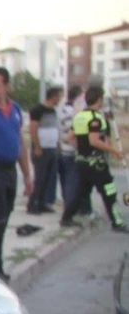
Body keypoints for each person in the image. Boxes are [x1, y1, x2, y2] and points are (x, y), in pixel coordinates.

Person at [0, 67, 33, 280]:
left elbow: (20, 143)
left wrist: (27, 176)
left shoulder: (16, 110)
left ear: (6, 86)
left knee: (3, 218)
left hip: (10, 171)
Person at [60, 86, 127, 232]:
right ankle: (117, 222)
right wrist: (114, 151)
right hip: (96, 163)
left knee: (81, 193)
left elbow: (69, 137)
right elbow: (94, 141)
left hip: (82, 161)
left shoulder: (79, 117)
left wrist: (79, 148)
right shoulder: (95, 119)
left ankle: (66, 218)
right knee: (109, 191)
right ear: (99, 100)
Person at [28, 86, 62, 213]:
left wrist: (57, 144)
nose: (60, 99)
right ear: (53, 96)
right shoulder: (38, 110)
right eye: (59, 96)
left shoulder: (53, 111)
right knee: (40, 178)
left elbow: (54, 128)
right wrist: (37, 146)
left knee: (48, 178)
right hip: (41, 148)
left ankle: (42, 203)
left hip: (51, 147)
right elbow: (33, 129)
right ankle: (32, 204)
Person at [57, 85, 88, 217]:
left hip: (61, 149)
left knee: (65, 182)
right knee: (73, 183)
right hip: (72, 151)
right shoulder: (74, 112)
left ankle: (68, 207)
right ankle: (70, 211)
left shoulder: (60, 109)